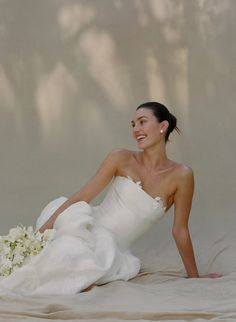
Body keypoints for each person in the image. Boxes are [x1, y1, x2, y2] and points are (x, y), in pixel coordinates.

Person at [0, 102, 222, 296]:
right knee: (52, 253)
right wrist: (39, 237)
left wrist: (195, 276)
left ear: (162, 126)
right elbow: (83, 196)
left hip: (110, 247)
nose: (136, 129)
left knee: (66, 260)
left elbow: (180, 229)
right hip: (85, 225)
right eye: (133, 124)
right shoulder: (121, 158)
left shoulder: (182, 175)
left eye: (142, 122)